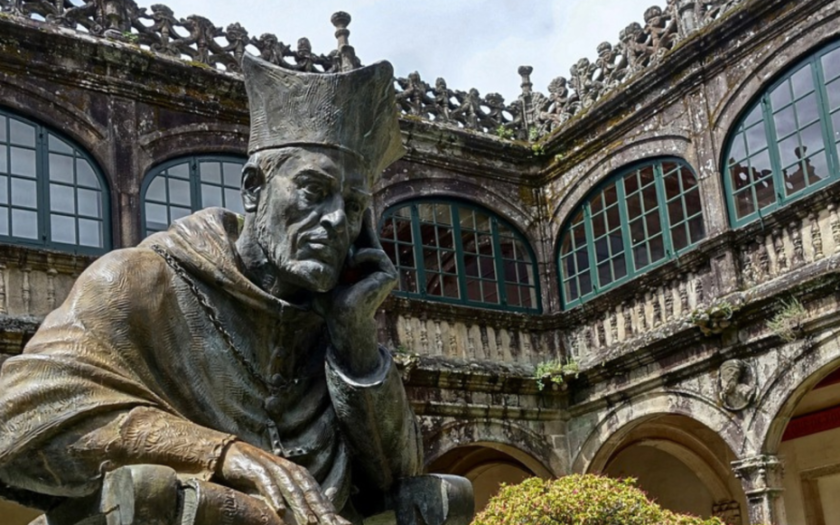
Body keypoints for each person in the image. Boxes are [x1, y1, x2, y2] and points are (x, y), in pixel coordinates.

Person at [0, 53, 421, 525]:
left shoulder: (333, 324)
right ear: (252, 187)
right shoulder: (138, 281)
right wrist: (223, 454)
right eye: (313, 189)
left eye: (356, 205)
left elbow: (399, 482)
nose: (338, 220)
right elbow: (13, 422)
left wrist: (355, 339)